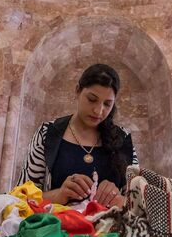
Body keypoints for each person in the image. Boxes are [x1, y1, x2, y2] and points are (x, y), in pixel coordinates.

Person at [18, 64, 138, 208]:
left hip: (112, 228)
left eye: (107, 104)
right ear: (77, 91)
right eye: (92, 99)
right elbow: (20, 198)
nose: (98, 111)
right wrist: (59, 195)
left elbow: (139, 203)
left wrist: (118, 199)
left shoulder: (123, 138)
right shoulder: (47, 133)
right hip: (57, 228)